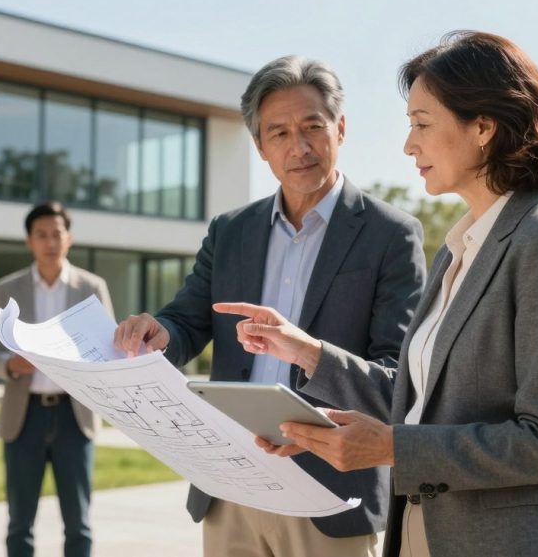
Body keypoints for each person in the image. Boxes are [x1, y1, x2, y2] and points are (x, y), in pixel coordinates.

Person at [215, 31, 538, 556]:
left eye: (422, 124)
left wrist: (391, 446)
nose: (408, 145)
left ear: (484, 126)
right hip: (429, 536)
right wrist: (305, 353)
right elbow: (417, 400)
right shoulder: (459, 249)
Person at [113, 55, 426, 557]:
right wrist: (159, 332)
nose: (298, 147)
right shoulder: (230, 230)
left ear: (340, 128)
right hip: (230, 486)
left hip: (328, 494)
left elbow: (397, 375)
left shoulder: (391, 235)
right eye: (278, 133)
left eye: (312, 127)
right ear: (259, 146)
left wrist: (310, 352)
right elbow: (188, 319)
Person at [0, 201, 114, 557]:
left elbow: (107, 352)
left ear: (68, 238)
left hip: (75, 417)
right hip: (24, 417)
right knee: (19, 524)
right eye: (41, 235)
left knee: (79, 523)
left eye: (56, 234)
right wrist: (11, 366)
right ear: (29, 241)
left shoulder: (92, 288)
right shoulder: (7, 289)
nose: (50, 242)